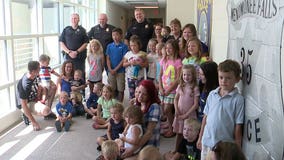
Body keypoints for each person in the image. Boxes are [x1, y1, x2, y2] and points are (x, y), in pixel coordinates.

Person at [197, 59, 245, 160]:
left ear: (237, 79)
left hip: (224, 148)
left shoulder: (238, 100)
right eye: (221, 77)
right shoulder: (212, 94)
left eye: (228, 78)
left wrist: (237, 149)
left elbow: (238, 126)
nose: (223, 81)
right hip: (207, 142)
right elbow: (205, 118)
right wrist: (200, 138)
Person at [121, 80, 161, 159]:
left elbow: (149, 133)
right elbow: (130, 122)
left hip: (147, 143)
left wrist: (133, 149)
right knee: (115, 145)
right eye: (139, 92)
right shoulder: (137, 103)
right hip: (135, 138)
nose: (140, 96)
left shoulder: (154, 107)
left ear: (150, 95)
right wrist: (123, 138)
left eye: (144, 94)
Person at [17, 61, 56, 131]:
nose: (40, 69)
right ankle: (26, 114)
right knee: (46, 110)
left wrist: (42, 98)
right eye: (39, 69)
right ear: (33, 71)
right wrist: (34, 122)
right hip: (26, 103)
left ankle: (48, 113)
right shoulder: (25, 85)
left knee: (53, 88)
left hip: (35, 96)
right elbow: (23, 104)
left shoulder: (35, 75)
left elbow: (41, 85)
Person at [173, 64, 200, 152]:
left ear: (193, 75)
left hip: (189, 115)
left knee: (189, 135)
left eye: (189, 75)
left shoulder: (195, 88)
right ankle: (177, 150)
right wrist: (176, 110)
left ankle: (188, 151)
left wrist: (186, 115)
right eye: (184, 74)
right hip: (180, 113)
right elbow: (176, 99)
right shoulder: (180, 86)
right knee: (179, 133)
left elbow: (195, 104)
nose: (186, 77)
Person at [159, 39, 182, 138]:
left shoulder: (178, 62)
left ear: (175, 49)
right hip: (163, 89)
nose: (168, 50)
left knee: (167, 109)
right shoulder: (164, 60)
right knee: (164, 109)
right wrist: (160, 87)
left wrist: (169, 89)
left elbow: (178, 79)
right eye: (166, 48)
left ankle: (173, 129)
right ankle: (169, 125)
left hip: (172, 90)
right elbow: (160, 75)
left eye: (170, 48)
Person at [59, 13, 89, 80]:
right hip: (68, 57)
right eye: (72, 18)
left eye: (75, 18)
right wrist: (69, 52)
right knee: (68, 75)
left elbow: (86, 43)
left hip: (79, 57)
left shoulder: (83, 30)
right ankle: (69, 90)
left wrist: (77, 52)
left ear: (78, 20)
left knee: (80, 74)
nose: (73, 20)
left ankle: (81, 90)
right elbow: (61, 42)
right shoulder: (66, 30)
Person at [106, 28, 128, 102]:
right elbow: (108, 58)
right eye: (113, 35)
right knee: (112, 89)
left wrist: (115, 69)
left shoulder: (124, 46)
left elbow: (123, 59)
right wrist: (110, 69)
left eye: (117, 35)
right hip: (110, 71)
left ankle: (120, 105)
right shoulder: (109, 46)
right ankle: (113, 104)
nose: (115, 37)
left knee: (120, 89)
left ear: (121, 36)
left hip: (120, 71)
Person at [123, 35, 148, 99]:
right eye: (131, 45)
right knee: (131, 94)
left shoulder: (143, 54)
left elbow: (146, 65)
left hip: (139, 77)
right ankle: (132, 107)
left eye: (135, 45)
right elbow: (124, 64)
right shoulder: (128, 54)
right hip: (130, 77)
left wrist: (139, 63)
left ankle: (138, 106)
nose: (133, 47)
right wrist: (129, 63)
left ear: (139, 45)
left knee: (139, 93)